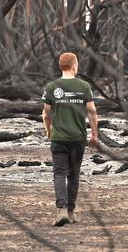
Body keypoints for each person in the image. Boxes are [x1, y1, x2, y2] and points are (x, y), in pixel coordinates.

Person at [41, 52, 98, 226]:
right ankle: (71, 212)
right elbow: (92, 112)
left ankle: (61, 210)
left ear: (60, 66)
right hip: (78, 138)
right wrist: (94, 134)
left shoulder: (51, 87)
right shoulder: (84, 86)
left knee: (59, 173)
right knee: (73, 175)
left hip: (59, 138)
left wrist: (49, 131)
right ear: (74, 66)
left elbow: (45, 114)